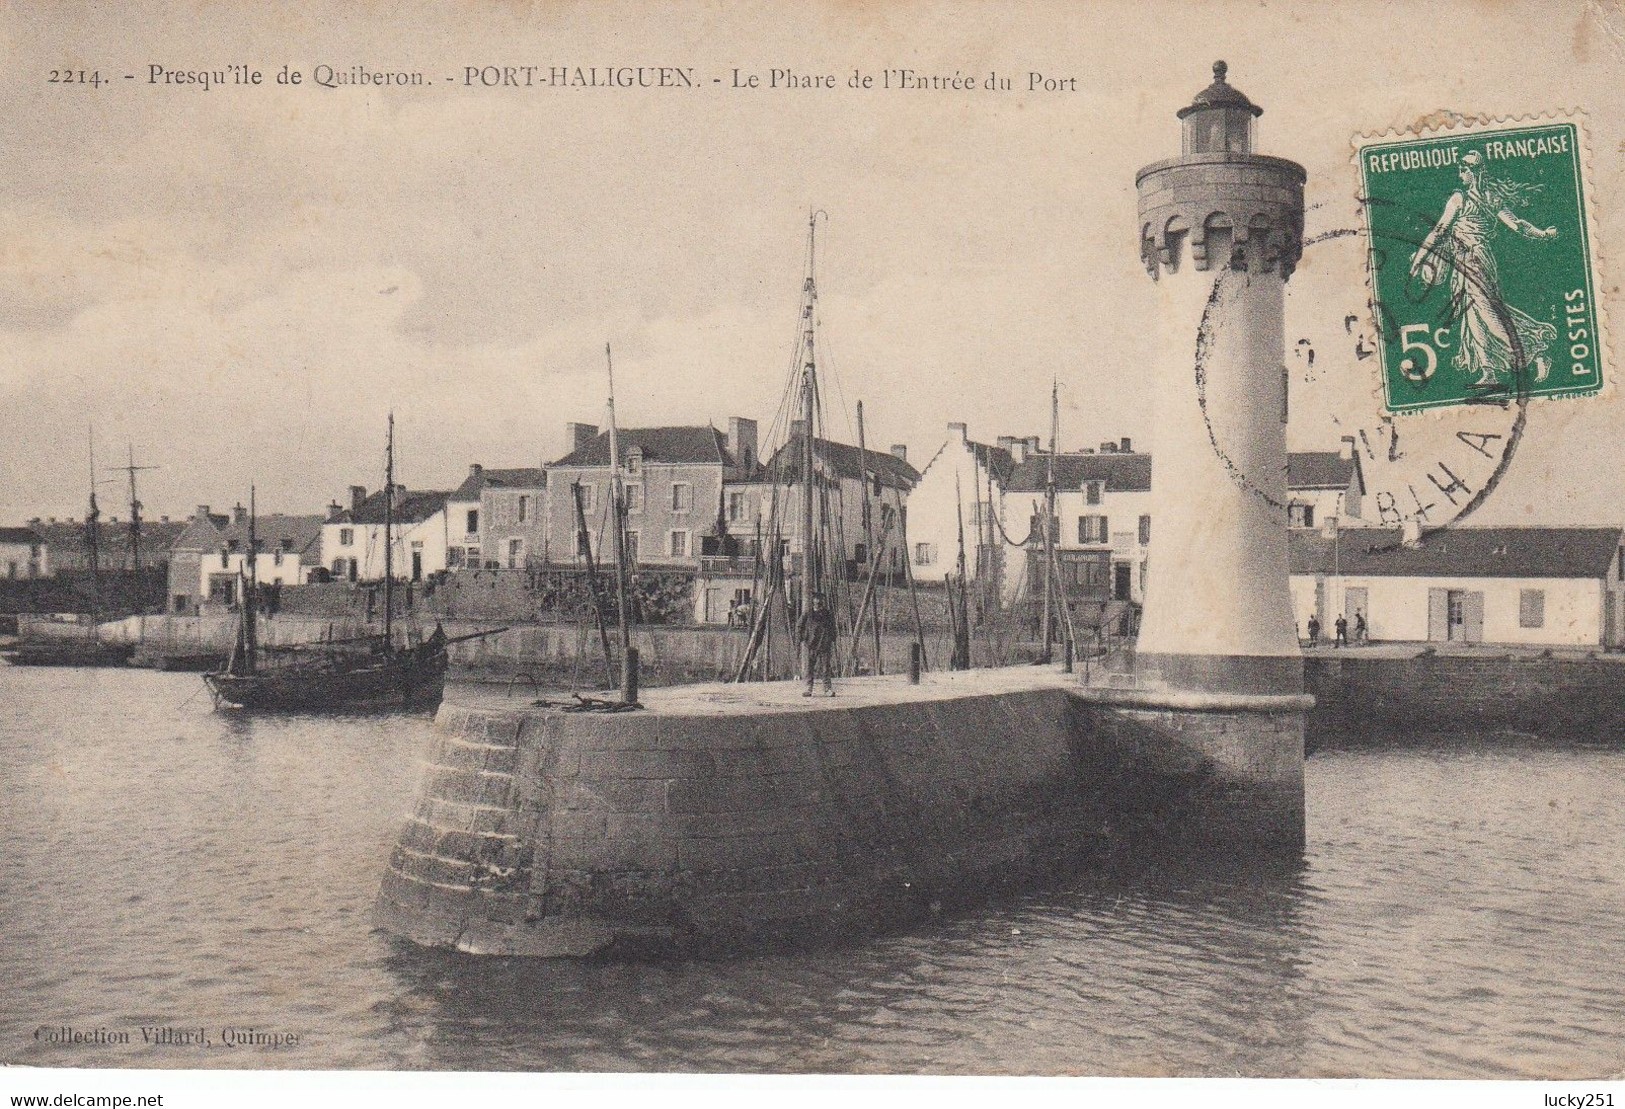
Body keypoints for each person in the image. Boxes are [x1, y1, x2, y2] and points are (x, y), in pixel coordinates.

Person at [1409, 149, 1558, 388]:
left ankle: (1535, 350)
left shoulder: (1460, 199)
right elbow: (1518, 226)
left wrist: (1419, 259)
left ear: (1472, 172)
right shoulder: (1491, 198)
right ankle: (1489, 372)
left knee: (1489, 316)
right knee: (1472, 315)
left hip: (1474, 260)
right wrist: (1542, 234)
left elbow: (1439, 231)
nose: (1460, 175)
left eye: (1463, 171)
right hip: (1466, 259)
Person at [798, 592, 837, 697]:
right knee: (810, 667)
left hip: (825, 644)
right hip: (812, 644)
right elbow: (799, 626)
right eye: (816, 599)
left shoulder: (827, 614)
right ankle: (808, 688)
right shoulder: (808, 614)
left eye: (820, 599)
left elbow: (833, 627)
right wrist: (803, 638)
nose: (818, 602)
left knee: (825, 668)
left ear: (823, 601)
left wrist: (832, 638)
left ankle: (827, 689)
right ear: (813, 601)